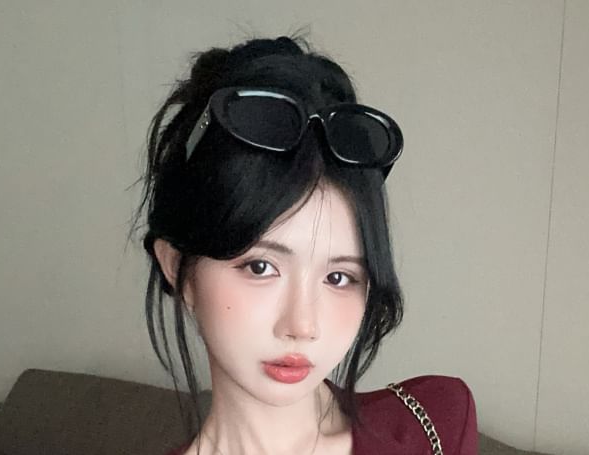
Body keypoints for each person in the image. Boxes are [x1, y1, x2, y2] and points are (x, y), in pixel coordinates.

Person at [129, 35, 478, 454]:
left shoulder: (436, 426)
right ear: (177, 268)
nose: (302, 325)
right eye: (261, 267)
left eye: (339, 277)